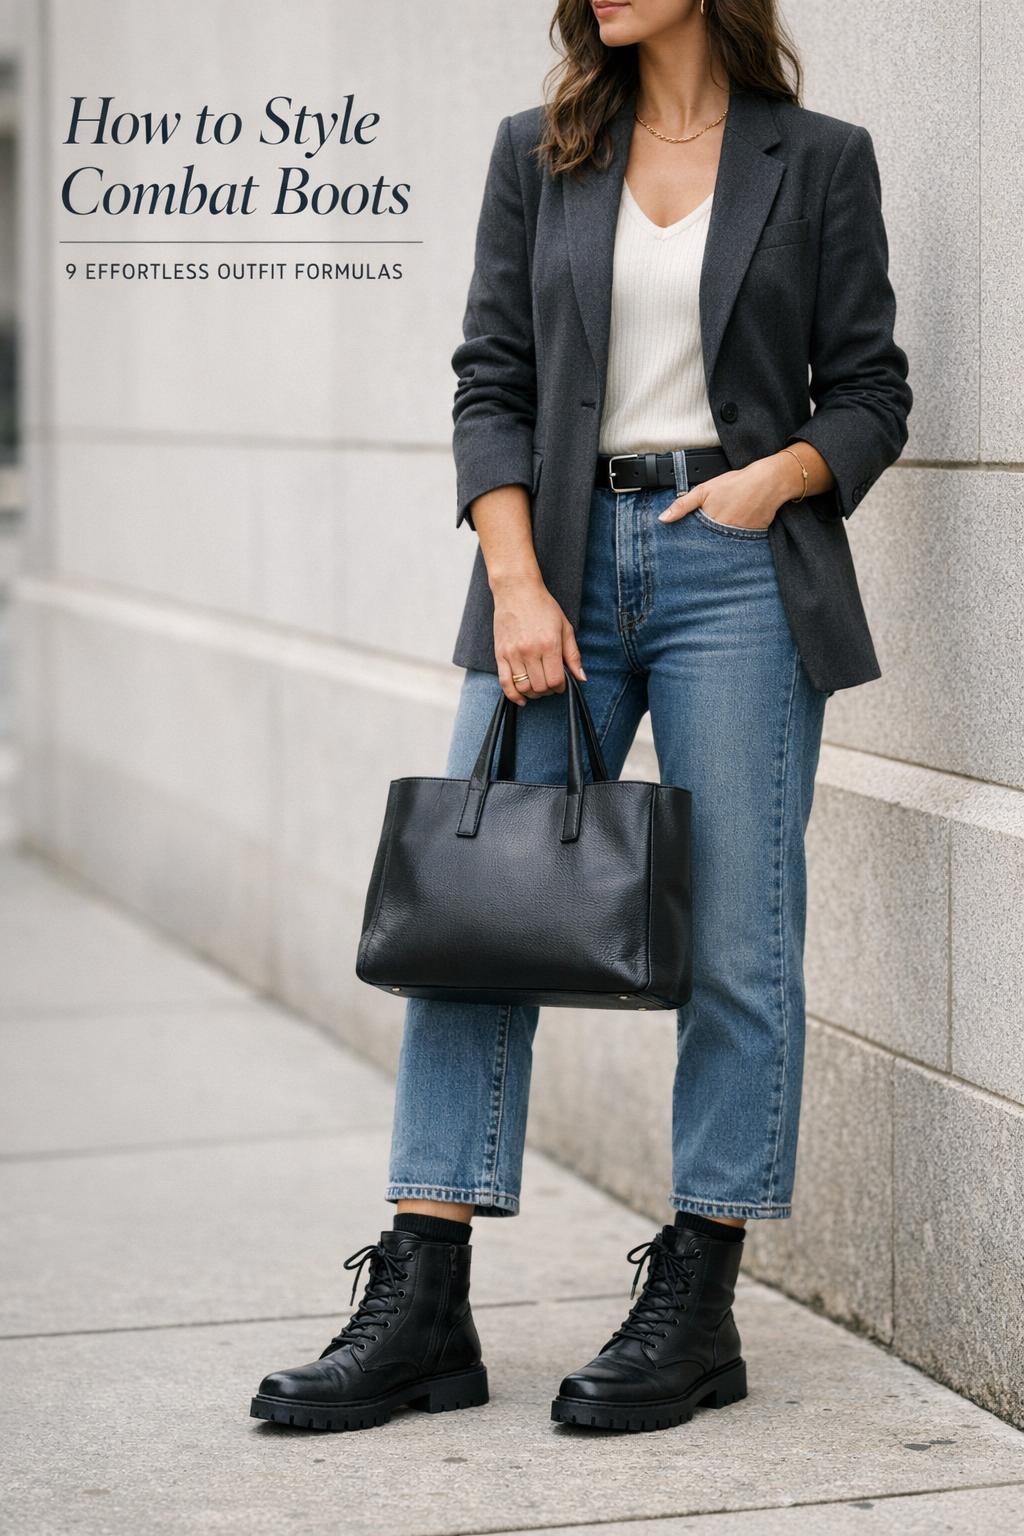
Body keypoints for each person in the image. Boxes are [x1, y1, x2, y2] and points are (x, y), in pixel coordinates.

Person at [251, 0, 911, 1434]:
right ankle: (423, 1298)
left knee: (739, 935)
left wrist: (775, 477)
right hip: (548, 563)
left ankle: (699, 1294)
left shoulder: (820, 161)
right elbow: (491, 380)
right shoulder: (536, 153)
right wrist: (514, 579)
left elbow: (870, 392)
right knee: (469, 915)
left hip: (735, 569)